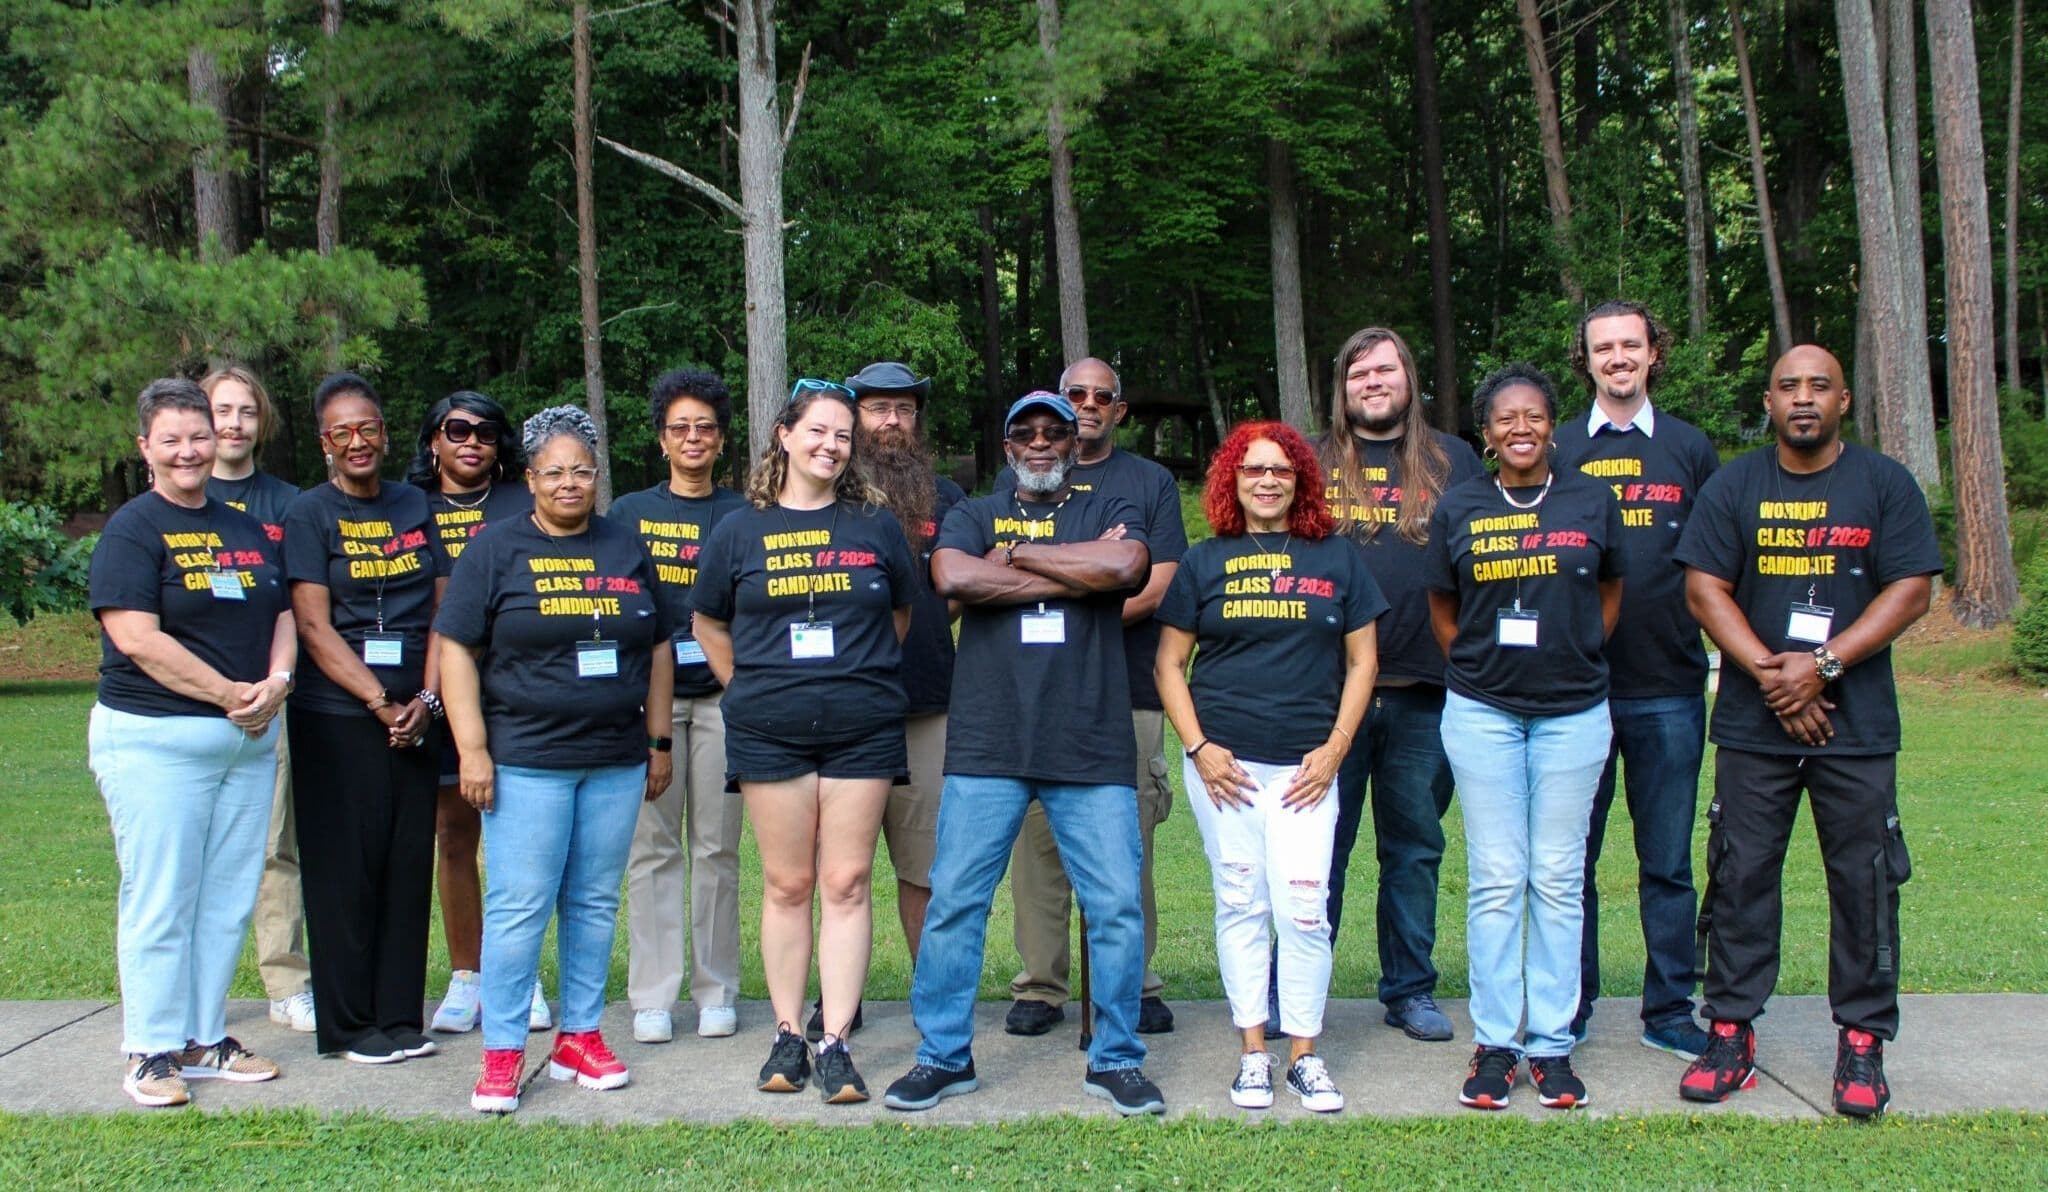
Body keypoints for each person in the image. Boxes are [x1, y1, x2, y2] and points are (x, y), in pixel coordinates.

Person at [883, 391, 1167, 1118]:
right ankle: (943, 1057)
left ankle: (1117, 1059)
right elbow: (954, 577)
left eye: (1055, 432)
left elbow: (1127, 565)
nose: (1040, 443)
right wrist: (1072, 570)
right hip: (989, 741)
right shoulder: (972, 512)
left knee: (1115, 908)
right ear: (1007, 445)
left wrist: (1020, 556)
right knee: (955, 904)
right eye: (1025, 433)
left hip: (1091, 741)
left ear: (1073, 442)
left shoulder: (1108, 506)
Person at [1673, 344, 1939, 1118]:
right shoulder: (1735, 486)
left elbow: (1912, 590)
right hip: (1755, 728)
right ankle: (1729, 1032)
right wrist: (1771, 675)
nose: (1802, 398)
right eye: (1788, 386)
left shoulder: (1883, 485)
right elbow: (1703, 589)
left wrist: (1821, 666)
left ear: (1844, 401)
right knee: (1742, 873)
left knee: (1864, 883)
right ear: (1768, 401)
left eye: (1819, 386)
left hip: (1856, 728)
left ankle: (1862, 1042)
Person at [439, 406, 675, 1115]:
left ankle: (579, 1035)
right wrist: (472, 750)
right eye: (554, 472)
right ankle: (504, 1052)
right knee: (519, 906)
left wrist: (657, 741)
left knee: (595, 902)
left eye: (581, 471)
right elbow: (456, 649)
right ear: (530, 478)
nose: (569, 483)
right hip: (527, 760)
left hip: (614, 757)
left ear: (596, 477)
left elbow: (659, 645)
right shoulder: (494, 550)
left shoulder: (626, 545)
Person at [690, 379, 917, 1104]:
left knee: (846, 883)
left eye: (843, 436)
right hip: (768, 730)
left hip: (863, 727)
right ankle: (788, 1034)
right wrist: (749, 691)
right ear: (784, 436)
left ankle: (837, 1040)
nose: (831, 445)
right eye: (818, 431)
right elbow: (708, 625)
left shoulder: (875, 525)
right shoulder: (737, 530)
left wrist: (859, 676)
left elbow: (903, 617)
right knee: (788, 884)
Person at [1154, 421, 1385, 1113]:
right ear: (1232, 478)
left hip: (1308, 771)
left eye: (1281, 470)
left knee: (1305, 910)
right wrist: (1199, 747)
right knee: (1242, 903)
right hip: (1226, 770)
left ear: (1301, 481)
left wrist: (1338, 747)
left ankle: (1305, 1055)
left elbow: (1364, 660)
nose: (1267, 480)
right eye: (1253, 469)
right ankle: (1253, 1052)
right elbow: (1169, 664)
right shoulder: (1204, 561)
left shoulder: (1337, 558)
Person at [88, 377, 296, 1107]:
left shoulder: (243, 526)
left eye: (198, 436)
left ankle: (204, 1037)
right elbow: (136, 638)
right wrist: (227, 694)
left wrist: (276, 679)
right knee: (161, 896)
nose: (188, 452)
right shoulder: (134, 529)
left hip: (242, 741)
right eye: (171, 439)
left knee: (227, 898)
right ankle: (150, 1049)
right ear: (145, 448)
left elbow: (281, 611)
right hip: (157, 741)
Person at [1424, 363, 1624, 1111]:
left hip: (1574, 712)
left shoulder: (1590, 499)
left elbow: (1610, 590)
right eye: (1505, 417)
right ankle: (1497, 1042)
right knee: (1499, 877)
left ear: (1551, 424)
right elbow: (1445, 604)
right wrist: (1480, 666)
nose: (1520, 428)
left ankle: (1553, 1044)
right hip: (1483, 713)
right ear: (1486, 432)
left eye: (1533, 416)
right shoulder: (1461, 505)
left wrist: (1575, 652)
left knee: (1558, 878)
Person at [1301, 327, 1484, 1044]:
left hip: (1426, 689)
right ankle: (1304, 996)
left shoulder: (1454, 460)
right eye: (1358, 374)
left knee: (1413, 847)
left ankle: (1408, 990)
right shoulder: (1311, 460)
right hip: (1325, 694)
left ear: (1409, 378)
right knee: (1320, 851)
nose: (1372, 382)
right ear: (1342, 388)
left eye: (1385, 369)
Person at [1553, 301, 1721, 1057]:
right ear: (1584, 360)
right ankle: (1571, 1002)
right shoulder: (1555, 448)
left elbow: (1722, 564)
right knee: (1570, 861)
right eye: (1602, 347)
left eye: (1631, 345)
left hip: (1669, 687)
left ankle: (1668, 1009)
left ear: (1655, 353)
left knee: (1667, 861)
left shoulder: (1690, 449)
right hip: (1574, 692)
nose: (1617, 357)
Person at [1004, 357, 1187, 1039]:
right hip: (1035, 687)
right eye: (1073, 393)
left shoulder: (1149, 482)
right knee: (1038, 840)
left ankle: (1133, 982)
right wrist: (1096, 571)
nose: (1084, 405)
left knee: (1125, 840)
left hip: (1127, 685)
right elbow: (999, 566)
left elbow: (1157, 579)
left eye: (1099, 396)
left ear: (1120, 409)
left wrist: (1070, 581)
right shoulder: (1024, 471)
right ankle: (1040, 987)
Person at [282, 370, 443, 1065]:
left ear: (384, 431)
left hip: (416, 714)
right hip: (337, 715)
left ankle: (400, 1018)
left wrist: (427, 702)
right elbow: (314, 627)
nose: (358, 442)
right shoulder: (308, 514)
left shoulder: (416, 505)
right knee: (345, 870)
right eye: (342, 431)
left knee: (407, 865)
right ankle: (350, 1026)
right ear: (324, 443)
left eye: (368, 428)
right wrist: (379, 702)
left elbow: (444, 609)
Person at [402, 392, 550, 1037]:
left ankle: (521, 976)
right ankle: (468, 974)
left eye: (487, 432)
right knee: (454, 835)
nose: (472, 441)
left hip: (520, 689)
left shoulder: (525, 503)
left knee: (524, 844)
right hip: (437, 687)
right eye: (456, 429)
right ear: (433, 439)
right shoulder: (411, 509)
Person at [613, 368, 748, 1045]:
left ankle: (717, 988)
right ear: (662, 440)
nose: (692, 438)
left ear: (721, 439)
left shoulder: (746, 513)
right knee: (653, 848)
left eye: (705, 428)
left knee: (718, 847)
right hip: (651, 703)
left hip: (726, 697)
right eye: (679, 428)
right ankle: (654, 994)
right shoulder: (630, 514)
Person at [202, 364, 315, 1036]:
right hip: (191, 701)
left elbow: (298, 602)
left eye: (246, 411)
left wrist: (275, 682)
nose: (233, 423)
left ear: (261, 422)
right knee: (195, 850)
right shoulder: (175, 499)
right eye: (221, 410)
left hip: (273, 696)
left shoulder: (287, 504)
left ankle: (286, 980)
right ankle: (188, 990)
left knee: (276, 844)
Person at [845, 360, 966, 982]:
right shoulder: (828, 491)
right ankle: (843, 1000)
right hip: (841, 707)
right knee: (843, 868)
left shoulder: (946, 497)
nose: (891, 422)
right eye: (876, 409)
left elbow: (967, 585)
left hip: (926, 702)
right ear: (855, 416)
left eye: (904, 410)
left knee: (924, 866)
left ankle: (932, 995)